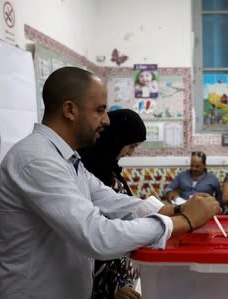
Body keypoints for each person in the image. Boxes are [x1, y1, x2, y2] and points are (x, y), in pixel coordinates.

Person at [0, 66, 221, 299]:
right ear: (70, 110)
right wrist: (184, 221)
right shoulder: (36, 160)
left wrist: (180, 209)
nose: (107, 120)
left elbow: (113, 201)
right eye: (100, 111)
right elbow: (97, 236)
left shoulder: (66, 158)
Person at [78, 109, 147, 299]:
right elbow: (95, 232)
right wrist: (114, 285)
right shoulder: (91, 169)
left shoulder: (110, 168)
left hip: (121, 275)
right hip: (102, 283)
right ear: (116, 139)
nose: (131, 153)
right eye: (131, 146)